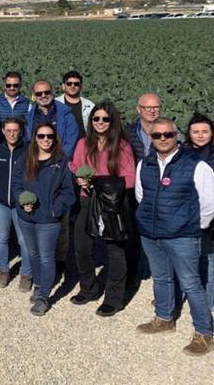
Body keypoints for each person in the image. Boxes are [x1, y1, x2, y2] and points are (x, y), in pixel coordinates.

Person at [135, 118, 214, 356]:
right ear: (151, 137)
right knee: (161, 278)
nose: (162, 139)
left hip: (182, 235)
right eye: (157, 135)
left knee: (191, 283)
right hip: (151, 233)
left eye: (167, 135)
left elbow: (209, 203)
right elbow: (142, 196)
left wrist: (192, 226)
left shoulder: (196, 165)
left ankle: (205, 333)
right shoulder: (145, 164)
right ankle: (164, 318)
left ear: (176, 135)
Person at [69, 102, 136, 317]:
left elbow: (130, 178)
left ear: (112, 121)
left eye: (105, 119)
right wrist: (80, 178)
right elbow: (75, 165)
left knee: (115, 250)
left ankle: (114, 298)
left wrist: (100, 184)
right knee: (81, 246)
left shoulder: (122, 146)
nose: (100, 122)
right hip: (86, 200)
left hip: (111, 203)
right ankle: (89, 288)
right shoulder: (82, 144)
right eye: (96, 119)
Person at [12, 123, 76, 316]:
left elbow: (68, 192)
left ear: (54, 138)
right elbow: (16, 184)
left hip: (49, 218)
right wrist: (22, 201)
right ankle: (39, 284)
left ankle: (44, 296)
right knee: (32, 252)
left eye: (49, 136)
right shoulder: (25, 159)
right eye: (41, 136)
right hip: (26, 216)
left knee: (47, 256)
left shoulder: (61, 162)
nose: (45, 139)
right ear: (35, 138)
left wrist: (55, 209)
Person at [0, 118, 33, 291]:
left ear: (20, 131)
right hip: (0, 202)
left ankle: (26, 274)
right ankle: (3, 270)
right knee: (2, 237)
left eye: (15, 130)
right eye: (9, 130)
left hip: (21, 203)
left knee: (24, 240)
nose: (12, 134)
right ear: (3, 131)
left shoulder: (29, 151)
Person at [184, 113, 214, 310]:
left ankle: (208, 300)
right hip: (187, 211)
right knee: (187, 255)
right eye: (196, 132)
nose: (200, 135)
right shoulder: (183, 153)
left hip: (211, 213)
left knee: (210, 257)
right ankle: (187, 292)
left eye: (205, 131)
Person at [25, 80, 80, 158]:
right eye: (39, 94)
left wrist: (57, 161)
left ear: (53, 92)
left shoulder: (67, 116)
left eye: (47, 92)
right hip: (34, 161)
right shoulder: (29, 118)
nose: (43, 95)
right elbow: (27, 142)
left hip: (59, 162)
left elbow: (70, 144)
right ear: (34, 96)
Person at [128, 93, 183, 163]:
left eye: (156, 107)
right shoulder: (128, 132)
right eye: (147, 107)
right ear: (138, 109)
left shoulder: (171, 131)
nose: (152, 111)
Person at [55, 71, 94, 138]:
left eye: (76, 84)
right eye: (69, 84)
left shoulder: (89, 106)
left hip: (83, 145)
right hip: (61, 145)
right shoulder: (55, 103)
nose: (72, 86)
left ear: (81, 86)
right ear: (63, 86)